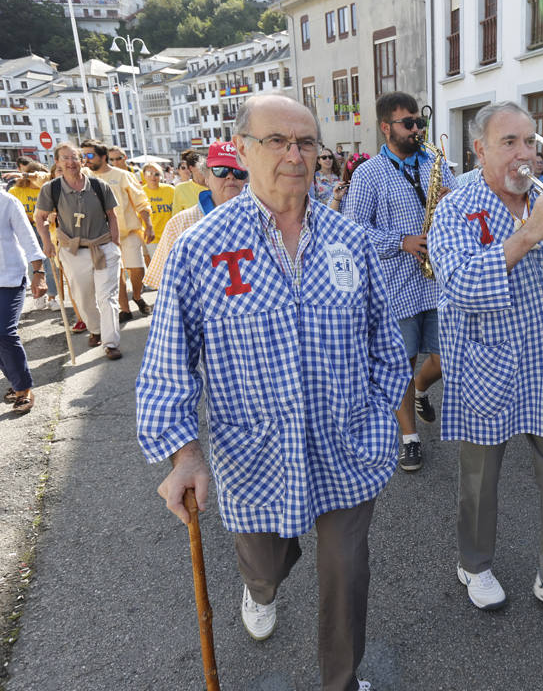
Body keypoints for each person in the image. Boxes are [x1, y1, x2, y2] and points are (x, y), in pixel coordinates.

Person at [136, 94, 410, 691]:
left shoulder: (350, 241)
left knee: (346, 573)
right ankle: (260, 587)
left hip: (347, 448)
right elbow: (167, 362)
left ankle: (342, 679)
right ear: (242, 150)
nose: (295, 154)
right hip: (254, 454)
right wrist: (184, 454)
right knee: (264, 562)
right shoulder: (201, 247)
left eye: (306, 142)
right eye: (278, 141)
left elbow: (385, 344)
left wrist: (377, 418)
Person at [427, 100, 543, 625]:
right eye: (510, 142)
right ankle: (475, 565)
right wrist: (529, 232)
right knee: (480, 481)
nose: (524, 153)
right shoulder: (456, 207)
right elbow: (459, 283)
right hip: (487, 362)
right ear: (479, 149)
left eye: (530, 141)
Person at [342, 92, 456, 472]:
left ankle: (423, 388)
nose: (417, 129)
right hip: (397, 288)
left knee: (448, 356)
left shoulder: (436, 162)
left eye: (419, 122)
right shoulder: (368, 174)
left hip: (439, 283)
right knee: (400, 365)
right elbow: (353, 231)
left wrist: (451, 200)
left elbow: (462, 209)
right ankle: (408, 438)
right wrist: (401, 242)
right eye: (408, 123)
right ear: (386, 127)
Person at [34, 142, 123, 360]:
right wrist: (46, 242)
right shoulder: (51, 189)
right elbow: (40, 217)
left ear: (82, 161)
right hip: (73, 251)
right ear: (57, 162)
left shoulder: (99, 186)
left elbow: (112, 216)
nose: (71, 162)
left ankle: (111, 343)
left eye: (75, 158)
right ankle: (95, 329)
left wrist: (114, 244)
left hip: (103, 248)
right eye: (65, 158)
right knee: (83, 298)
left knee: (107, 297)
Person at [144, 142, 248, 290]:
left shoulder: (263, 218)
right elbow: (164, 283)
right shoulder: (179, 224)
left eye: (239, 171)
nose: (230, 176)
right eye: (220, 170)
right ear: (206, 177)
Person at [82, 139, 154, 323]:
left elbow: (141, 200)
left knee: (137, 269)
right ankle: (125, 308)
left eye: (90, 155)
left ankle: (137, 296)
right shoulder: (83, 177)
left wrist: (148, 224)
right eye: (84, 156)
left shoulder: (122, 175)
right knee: (117, 272)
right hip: (101, 236)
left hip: (128, 232)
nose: (86, 159)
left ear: (103, 157)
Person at [1, 187, 47, 414]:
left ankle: (23, 389)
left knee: (4, 332)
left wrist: (39, 273)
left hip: (9, 278)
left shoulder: (7, 202)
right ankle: (16, 379)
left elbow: (29, 239)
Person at [8, 164, 58, 311]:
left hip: (48, 228)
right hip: (27, 230)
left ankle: (52, 296)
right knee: (33, 264)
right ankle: (38, 294)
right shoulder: (15, 191)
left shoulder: (48, 189)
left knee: (51, 263)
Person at [141, 162, 175, 256]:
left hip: (170, 236)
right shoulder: (140, 192)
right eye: (149, 173)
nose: (153, 177)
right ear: (144, 175)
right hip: (151, 238)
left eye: (157, 174)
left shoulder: (171, 190)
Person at [173, 148, 208, 212]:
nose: (205, 169)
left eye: (207, 166)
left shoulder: (216, 186)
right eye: (201, 167)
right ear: (191, 168)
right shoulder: (181, 189)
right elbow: (176, 217)